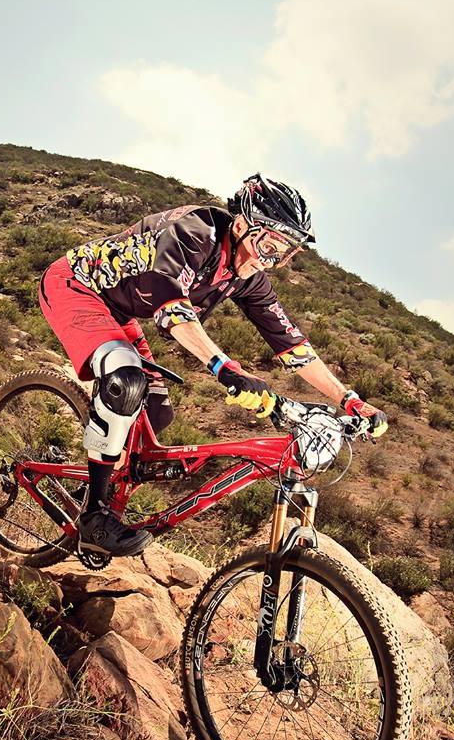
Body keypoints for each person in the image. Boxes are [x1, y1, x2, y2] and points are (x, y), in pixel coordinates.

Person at [39, 172, 387, 557]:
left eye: (286, 253)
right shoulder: (193, 232)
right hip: (77, 285)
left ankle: (95, 483)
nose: (273, 260)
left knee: (156, 413)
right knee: (126, 380)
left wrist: (349, 399)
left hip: (120, 309)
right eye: (270, 243)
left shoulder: (248, 277)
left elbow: (294, 346)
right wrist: (225, 367)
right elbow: (173, 314)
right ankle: (94, 517)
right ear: (242, 224)